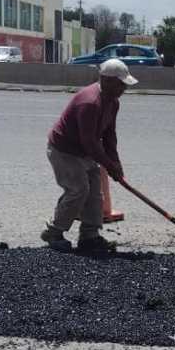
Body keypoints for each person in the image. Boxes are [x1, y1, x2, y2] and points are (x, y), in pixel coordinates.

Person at [41, 59, 137, 253]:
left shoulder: (113, 102)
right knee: (78, 190)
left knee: (95, 193)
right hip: (64, 150)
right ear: (106, 80)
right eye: (121, 84)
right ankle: (54, 232)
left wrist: (115, 162)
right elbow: (90, 142)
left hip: (85, 152)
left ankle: (89, 236)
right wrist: (109, 165)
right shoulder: (90, 102)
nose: (124, 89)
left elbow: (109, 135)